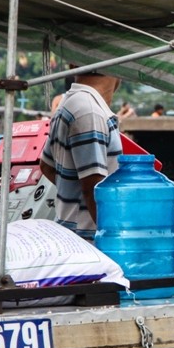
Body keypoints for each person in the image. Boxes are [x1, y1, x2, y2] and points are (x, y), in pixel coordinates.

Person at [40, 71, 123, 240]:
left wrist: (72, 192)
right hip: (87, 241)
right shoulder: (89, 111)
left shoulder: (70, 102)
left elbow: (46, 166)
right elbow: (94, 188)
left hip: (71, 233)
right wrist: (115, 239)